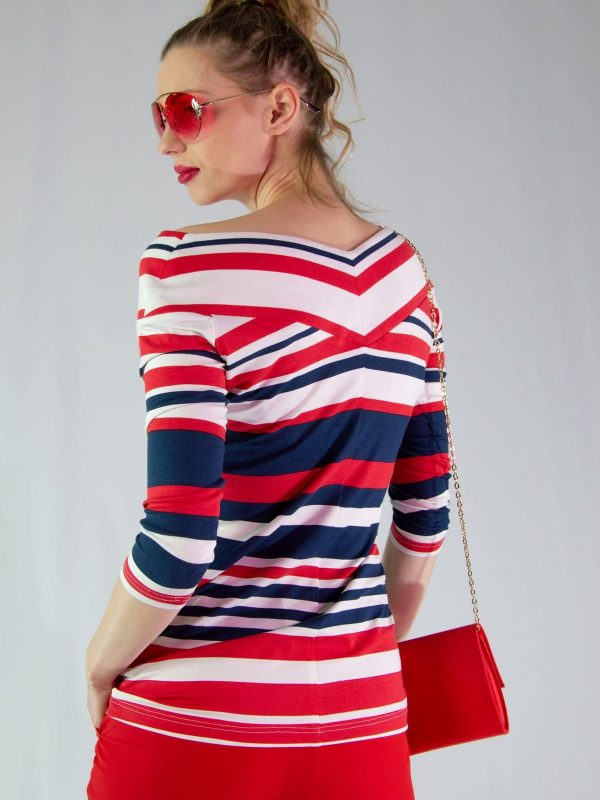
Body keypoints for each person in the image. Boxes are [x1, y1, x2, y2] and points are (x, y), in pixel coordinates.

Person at [85, 1, 451, 798]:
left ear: (280, 108)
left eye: (186, 110)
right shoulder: (406, 275)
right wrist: (343, 661)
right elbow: (424, 520)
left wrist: (100, 662)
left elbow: (179, 534)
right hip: (363, 722)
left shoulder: (183, 269)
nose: (165, 140)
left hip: (193, 715)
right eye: (157, 116)